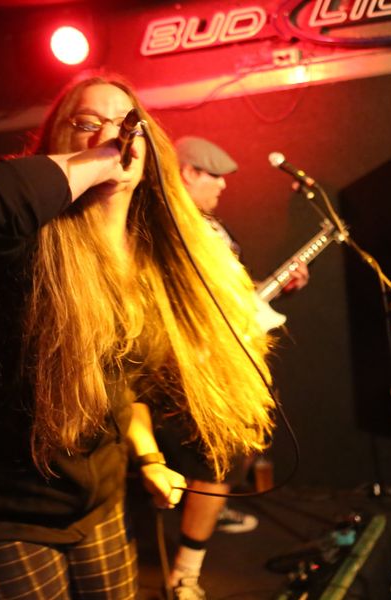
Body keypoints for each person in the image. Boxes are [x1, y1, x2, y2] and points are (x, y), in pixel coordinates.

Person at [0, 73, 276, 600]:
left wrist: (149, 458)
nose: (110, 134)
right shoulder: (27, 245)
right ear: (54, 143)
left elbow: (123, 391)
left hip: (94, 503)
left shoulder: (149, 261)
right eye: (86, 123)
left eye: (127, 125)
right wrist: (105, 156)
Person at [154, 136, 309, 599]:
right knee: (215, 461)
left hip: (226, 362)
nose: (223, 186)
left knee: (232, 455)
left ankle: (210, 516)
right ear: (187, 173)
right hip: (193, 367)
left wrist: (276, 286)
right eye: (214, 176)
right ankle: (184, 575)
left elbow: (231, 294)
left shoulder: (213, 229)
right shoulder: (168, 226)